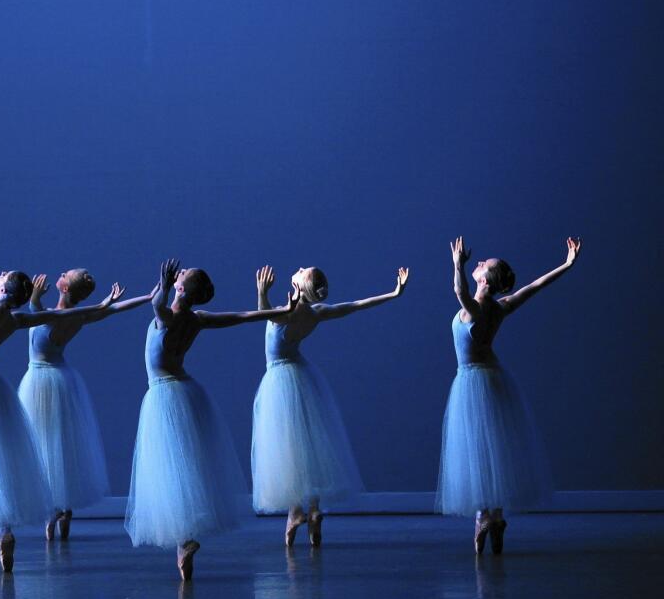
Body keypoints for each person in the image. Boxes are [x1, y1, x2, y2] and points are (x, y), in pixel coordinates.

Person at [0, 271, 122, 573]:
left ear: (4, 289)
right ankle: (5, 532)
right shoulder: (14, 320)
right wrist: (108, 305)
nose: (0, 274)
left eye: (3, 277)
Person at [125, 259, 294, 580]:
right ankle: (184, 543)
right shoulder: (196, 318)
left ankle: (184, 540)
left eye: (183, 274)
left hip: (164, 395)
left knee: (172, 468)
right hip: (186, 391)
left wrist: (162, 285)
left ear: (182, 287)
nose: (180, 272)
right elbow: (241, 317)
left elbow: (157, 305)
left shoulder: (170, 317)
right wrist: (274, 312)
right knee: (185, 466)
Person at [437, 236, 580, 553]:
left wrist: (457, 265)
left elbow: (460, 291)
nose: (479, 262)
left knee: (479, 450)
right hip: (493, 379)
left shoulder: (473, 309)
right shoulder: (501, 308)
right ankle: (494, 516)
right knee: (492, 449)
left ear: (485, 279)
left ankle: (485, 517)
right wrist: (566, 265)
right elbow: (536, 286)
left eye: (483, 264)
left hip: (472, 381)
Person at [251, 264, 408, 546]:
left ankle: (296, 513)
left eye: (302, 271)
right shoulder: (315, 313)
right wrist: (393, 293)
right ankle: (310, 509)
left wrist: (262, 293)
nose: (298, 268)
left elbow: (266, 316)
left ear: (301, 285)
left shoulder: (287, 312)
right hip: (300, 375)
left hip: (280, 380)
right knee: (306, 447)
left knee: (289, 448)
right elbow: (356, 305)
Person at [17, 270, 154, 540]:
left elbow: (37, 313)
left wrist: (33, 297)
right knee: (58, 445)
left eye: (67, 274)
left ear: (66, 288)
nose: (62, 273)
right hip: (59, 379)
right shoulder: (78, 316)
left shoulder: (51, 313)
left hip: (41, 381)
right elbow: (112, 310)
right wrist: (147, 297)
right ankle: (60, 508)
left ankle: (55, 508)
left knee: (47, 444)